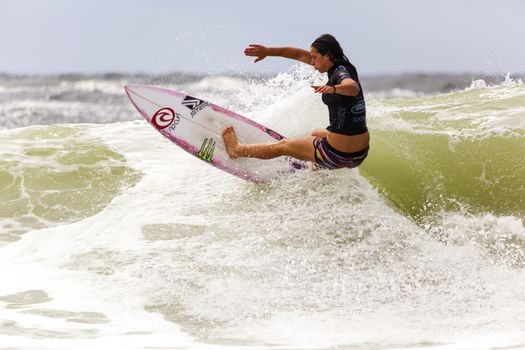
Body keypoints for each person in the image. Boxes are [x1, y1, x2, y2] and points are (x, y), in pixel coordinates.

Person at [222, 34, 369, 170]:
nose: (312, 62)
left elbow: (352, 88)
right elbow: (298, 54)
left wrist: (333, 89)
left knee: (283, 146)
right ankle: (316, 168)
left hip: (336, 155)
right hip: (359, 155)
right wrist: (268, 51)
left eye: (315, 57)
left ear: (327, 56)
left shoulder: (340, 74)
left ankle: (237, 150)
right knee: (315, 133)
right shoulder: (345, 67)